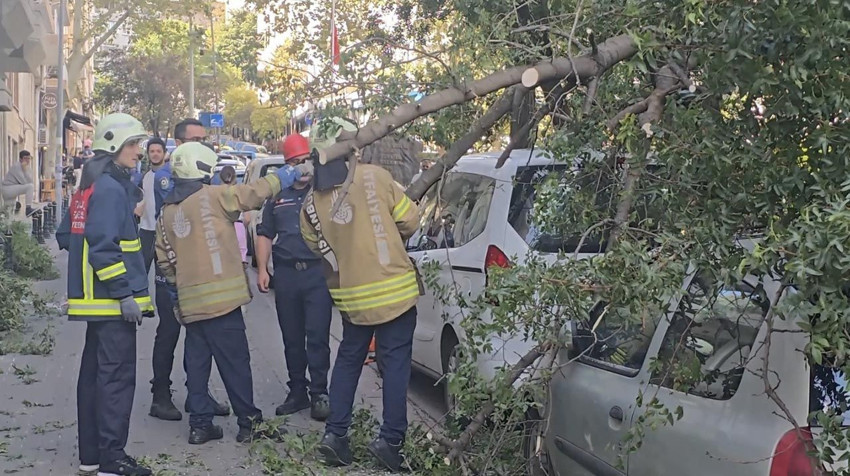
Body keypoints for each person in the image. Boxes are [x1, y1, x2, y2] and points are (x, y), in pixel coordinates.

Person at [155, 142, 309, 444]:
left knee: (197, 362)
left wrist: (178, 294)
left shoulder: (167, 213)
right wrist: (287, 174)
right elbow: (254, 193)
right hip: (223, 302)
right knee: (235, 363)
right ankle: (249, 423)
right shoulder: (213, 197)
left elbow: (163, 259)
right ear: (202, 170)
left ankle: (200, 425)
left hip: (190, 303)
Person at [302, 128, 421, 472]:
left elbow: (316, 246)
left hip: (352, 299)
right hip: (395, 291)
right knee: (395, 365)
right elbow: (410, 221)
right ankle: (390, 441)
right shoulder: (376, 178)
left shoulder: (311, 202)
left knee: (348, 361)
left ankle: (335, 437)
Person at [56, 113, 155, 476]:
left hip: (94, 303)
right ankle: (113, 460)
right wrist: (124, 294)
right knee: (115, 380)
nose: (138, 152)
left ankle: (92, 457)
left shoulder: (89, 186)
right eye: (133, 145)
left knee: (93, 379)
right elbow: (103, 249)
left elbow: (67, 237)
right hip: (113, 305)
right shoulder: (111, 189)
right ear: (113, 145)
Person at [148, 119, 230, 422]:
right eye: (196, 139)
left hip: (199, 266)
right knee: (169, 331)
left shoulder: (207, 175)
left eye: (205, 139)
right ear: (180, 144)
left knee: (201, 334)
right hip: (171, 265)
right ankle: (160, 395)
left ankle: (199, 394)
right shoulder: (166, 177)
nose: (203, 144)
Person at [256, 134, 332, 422]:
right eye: (295, 163)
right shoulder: (278, 195)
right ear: (287, 166)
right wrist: (263, 269)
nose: (302, 169)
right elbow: (265, 233)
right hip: (286, 274)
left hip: (317, 274)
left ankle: (319, 393)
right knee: (291, 337)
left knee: (317, 336)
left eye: (305, 162)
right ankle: (297, 390)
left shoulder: (322, 192)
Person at [138, 138, 167, 272]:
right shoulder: (144, 177)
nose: (155, 154)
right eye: (152, 151)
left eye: (158, 151)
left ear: (164, 153)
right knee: (141, 271)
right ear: (148, 154)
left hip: (166, 233)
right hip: (146, 231)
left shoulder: (171, 176)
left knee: (164, 276)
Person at [218, 166, 249, 266]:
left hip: (221, 228)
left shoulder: (215, 193)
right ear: (235, 178)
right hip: (239, 226)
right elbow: (248, 218)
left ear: (220, 177)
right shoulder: (240, 193)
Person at [2, 150, 35, 214]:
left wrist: (25, 169)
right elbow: (24, 182)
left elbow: (30, 181)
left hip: (12, 189)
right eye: (25, 158)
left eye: (29, 158)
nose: (27, 160)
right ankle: (28, 208)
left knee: (9, 212)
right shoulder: (17, 166)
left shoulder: (27, 168)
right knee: (30, 187)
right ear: (20, 159)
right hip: (8, 188)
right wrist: (24, 169)